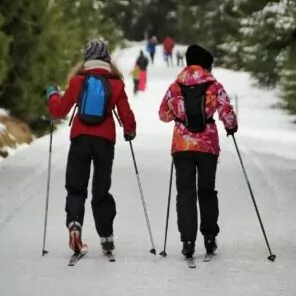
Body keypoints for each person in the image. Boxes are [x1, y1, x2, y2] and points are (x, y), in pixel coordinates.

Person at [45, 39, 136, 255]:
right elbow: (126, 115)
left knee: (76, 187)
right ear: (106, 58)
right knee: (101, 190)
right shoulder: (116, 83)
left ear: (86, 58)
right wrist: (129, 131)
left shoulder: (78, 81)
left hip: (80, 139)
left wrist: (52, 95)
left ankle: (75, 224)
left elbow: (59, 110)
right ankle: (106, 236)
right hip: (105, 141)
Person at [158, 44, 238, 258]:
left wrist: (178, 116)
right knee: (207, 190)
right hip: (207, 145)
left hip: (182, 145)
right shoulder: (214, 84)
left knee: (185, 192)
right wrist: (231, 126)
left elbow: (163, 114)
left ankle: (188, 241)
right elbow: (226, 110)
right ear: (206, 64)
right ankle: (210, 237)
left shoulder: (176, 86)